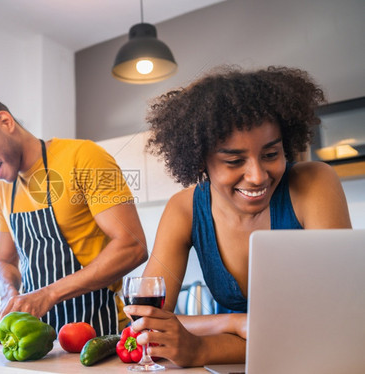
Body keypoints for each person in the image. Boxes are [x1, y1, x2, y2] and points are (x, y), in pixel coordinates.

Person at [123, 66, 352, 367]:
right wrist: (234, 323)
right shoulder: (185, 208)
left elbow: (338, 321)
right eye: (234, 160)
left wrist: (202, 349)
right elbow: (146, 322)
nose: (257, 176)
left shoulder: (313, 183)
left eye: (271, 154)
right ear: (200, 160)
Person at [0, 94, 148, 335]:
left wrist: (48, 294)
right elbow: (5, 261)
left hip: (98, 333)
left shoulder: (84, 156)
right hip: (34, 339)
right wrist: (8, 293)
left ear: (5, 122)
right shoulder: (3, 190)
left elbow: (132, 245)